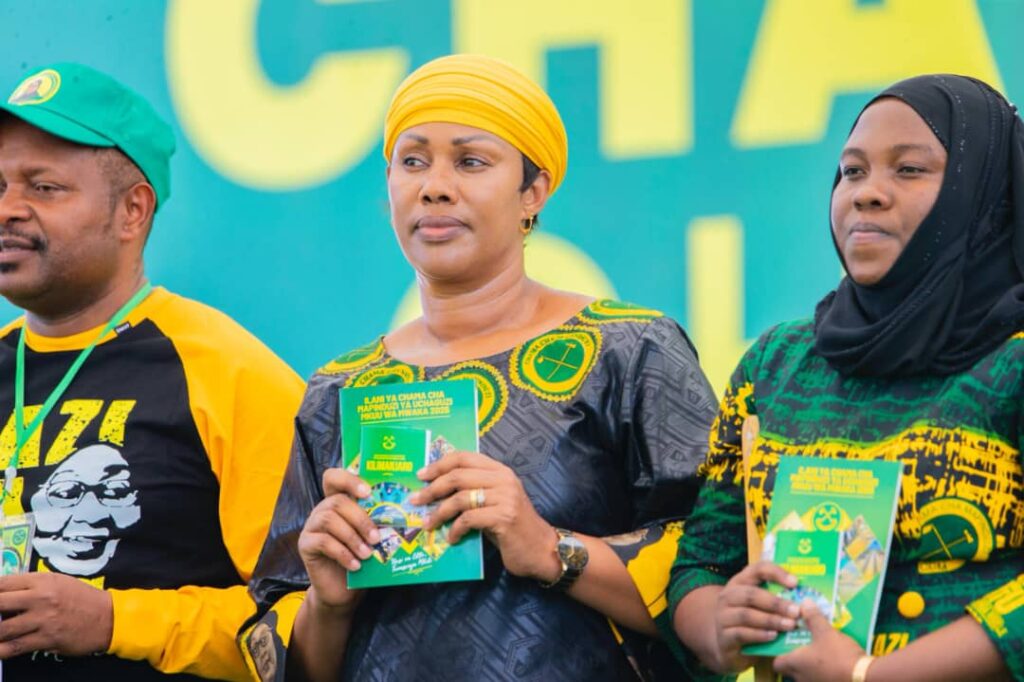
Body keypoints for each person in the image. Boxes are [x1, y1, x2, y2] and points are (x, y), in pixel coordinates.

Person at [240, 53, 718, 681]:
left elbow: (718, 577)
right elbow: (284, 648)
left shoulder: (629, 351)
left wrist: (548, 548)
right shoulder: (339, 390)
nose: (434, 186)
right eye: (413, 161)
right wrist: (327, 605)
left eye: (470, 162)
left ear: (532, 193)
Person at [670, 74, 1024, 681]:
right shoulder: (778, 361)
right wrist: (719, 624)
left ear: (983, 193)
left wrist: (870, 674)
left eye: (908, 170)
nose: (867, 194)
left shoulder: (1012, 361)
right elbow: (700, 562)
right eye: (852, 171)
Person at [0, 63, 305, 680]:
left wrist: (117, 623)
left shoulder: (226, 370)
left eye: (44, 187)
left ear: (132, 212)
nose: (8, 209)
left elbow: (307, 617)